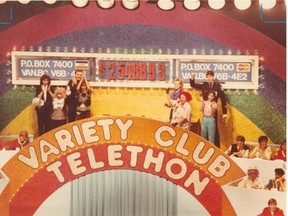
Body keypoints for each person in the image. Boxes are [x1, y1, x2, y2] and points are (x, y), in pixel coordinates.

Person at [189, 70, 227, 148]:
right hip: (205, 111)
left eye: (210, 76)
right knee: (204, 132)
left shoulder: (218, 86)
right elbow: (193, 85)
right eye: (208, 77)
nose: (209, 78)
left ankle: (215, 147)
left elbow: (223, 99)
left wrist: (224, 113)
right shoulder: (204, 85)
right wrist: (192, 77)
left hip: (213, 110)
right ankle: (204, 148)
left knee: (213, 131)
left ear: (213, 77)